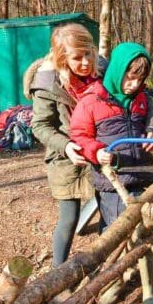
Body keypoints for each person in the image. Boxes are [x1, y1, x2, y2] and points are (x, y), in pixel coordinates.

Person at [69, 42, 153, 304]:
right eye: (130, 77)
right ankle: (114, 283)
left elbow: (152, 117)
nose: (134, 84)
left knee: (144, 232)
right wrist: (96, 153)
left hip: (143, 176)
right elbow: (80, 136)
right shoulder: (92, 101)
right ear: (118, 71)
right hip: (113, 183)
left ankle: (148, 287)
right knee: (114, 234)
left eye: (140, 79)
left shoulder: (143, 98)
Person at [26, 23, 100, 267]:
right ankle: (57, 275)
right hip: (66, 158)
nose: (86, 62)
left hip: (99, 153)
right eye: (77, 58)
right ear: (61, 58)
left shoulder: (101, 71)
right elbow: (40, 126)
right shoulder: (47, 84)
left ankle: (108, 266)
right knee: (69, 219)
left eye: (88, 53)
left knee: (109, 211)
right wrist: (67, 146)